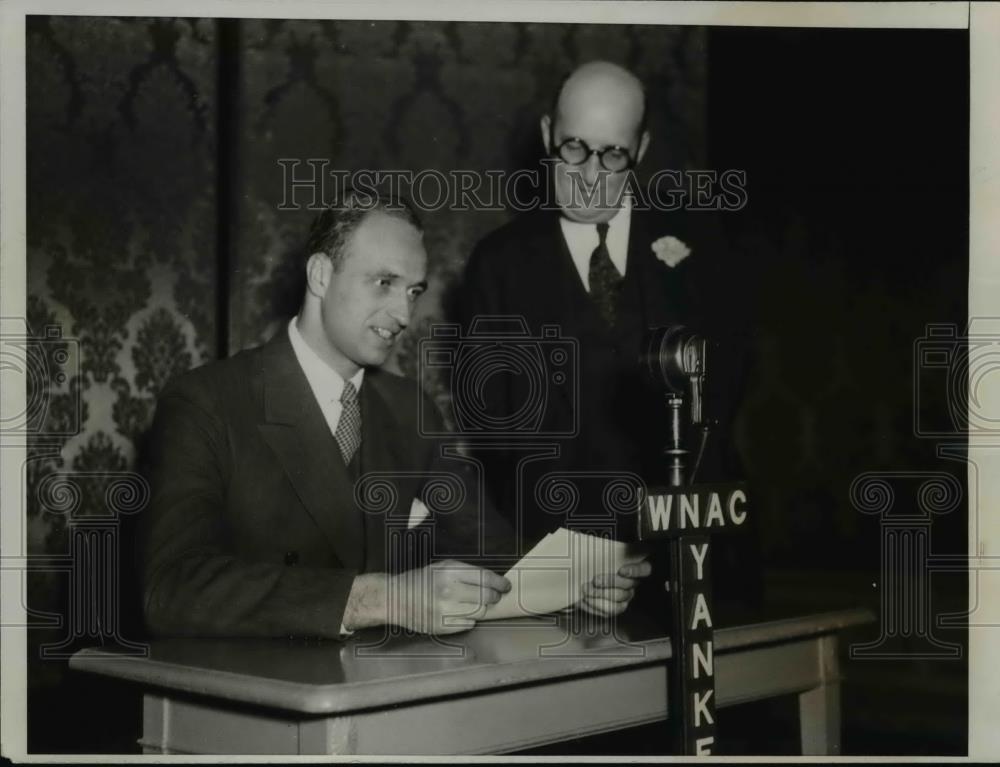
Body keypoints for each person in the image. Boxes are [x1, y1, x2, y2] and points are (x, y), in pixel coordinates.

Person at [139, 190, 518, 638]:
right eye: (383, 283)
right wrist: (378, 599)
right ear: (320, 274)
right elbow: (171, 590)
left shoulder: (410, 408)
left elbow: (494, 550)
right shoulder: (206, 403)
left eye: (413, 292)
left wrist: (577, 579)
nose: (403, 314)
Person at [456, 61, 753, 617]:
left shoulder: (703, 248)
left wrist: (644, 543)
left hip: (690, 560)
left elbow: (722, 402)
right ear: (547, 134)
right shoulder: (499, 265)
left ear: (640, 148)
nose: (590, 175)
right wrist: (585, 563)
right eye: (573, 149)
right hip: (565, 568)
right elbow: (504, 438)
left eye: (612, 154)